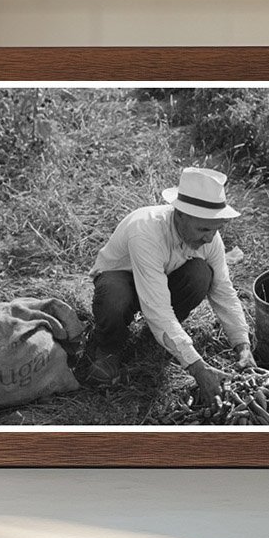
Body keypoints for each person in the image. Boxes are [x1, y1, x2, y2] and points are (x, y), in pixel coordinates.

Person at [88, 166, 258, 403]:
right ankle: (108, 348)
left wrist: (243, 345)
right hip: (122, 280)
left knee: (201, 275)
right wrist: (198, 368)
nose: (210, 237)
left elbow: (224, 291)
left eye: (216, 229)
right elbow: (157, 308)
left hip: (161, 282)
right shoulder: (146, 231)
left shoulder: (209, 237)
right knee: (114, 296)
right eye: (203, 229)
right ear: (179, 215)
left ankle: (160, 336)